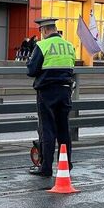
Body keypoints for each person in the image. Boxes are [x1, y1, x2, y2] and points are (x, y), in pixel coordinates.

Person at [26, 18, 76, 177]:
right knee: (63, 130)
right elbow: (71, 67)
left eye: (41, 32)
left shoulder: (42, 45)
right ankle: (66, 164)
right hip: (65, 91)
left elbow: (31, 70)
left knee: (47, 129)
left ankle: (46, 167)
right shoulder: (69, 46)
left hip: (47, 92)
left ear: (45, 30)